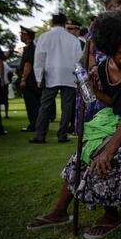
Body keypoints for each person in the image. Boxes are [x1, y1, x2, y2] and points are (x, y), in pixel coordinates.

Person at [26, 11, 121, 239]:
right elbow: (116, 103)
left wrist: (108, 150)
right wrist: (95, 90)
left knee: (103, 158)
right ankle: (59, 212)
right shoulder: (103, 67)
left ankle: (112, 215)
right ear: (109, 52)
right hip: (120, 124)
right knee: (81, 156)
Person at [75, 0, 121, 129]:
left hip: (119, 75)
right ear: (108, 6)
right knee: (97, 115)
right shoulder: (99, 24)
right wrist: (94, 68)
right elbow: (90, 51)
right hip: (98, 76)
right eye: (119, 2)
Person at [30, 13, 82, 143]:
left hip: (50, 74)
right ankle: (62, 135)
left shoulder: (44, 37)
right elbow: (79, 60)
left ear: (52, 23)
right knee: (67, 106)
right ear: (65, 23)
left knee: (45, 106)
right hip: (69, 75)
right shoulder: (73, 39)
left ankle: (40, 135)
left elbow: (39, 58)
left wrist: (38, 77)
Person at [19, 26, 41, 132]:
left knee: (31, 105)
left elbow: (27, 64)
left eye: (22, 34)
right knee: (36, 104)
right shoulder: (34, 47)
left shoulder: (28, 48)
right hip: (34, 81)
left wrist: (23, 79)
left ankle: (33, 125)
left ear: (26, 36)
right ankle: (36, 124)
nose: (20, 36)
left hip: (29, 82)